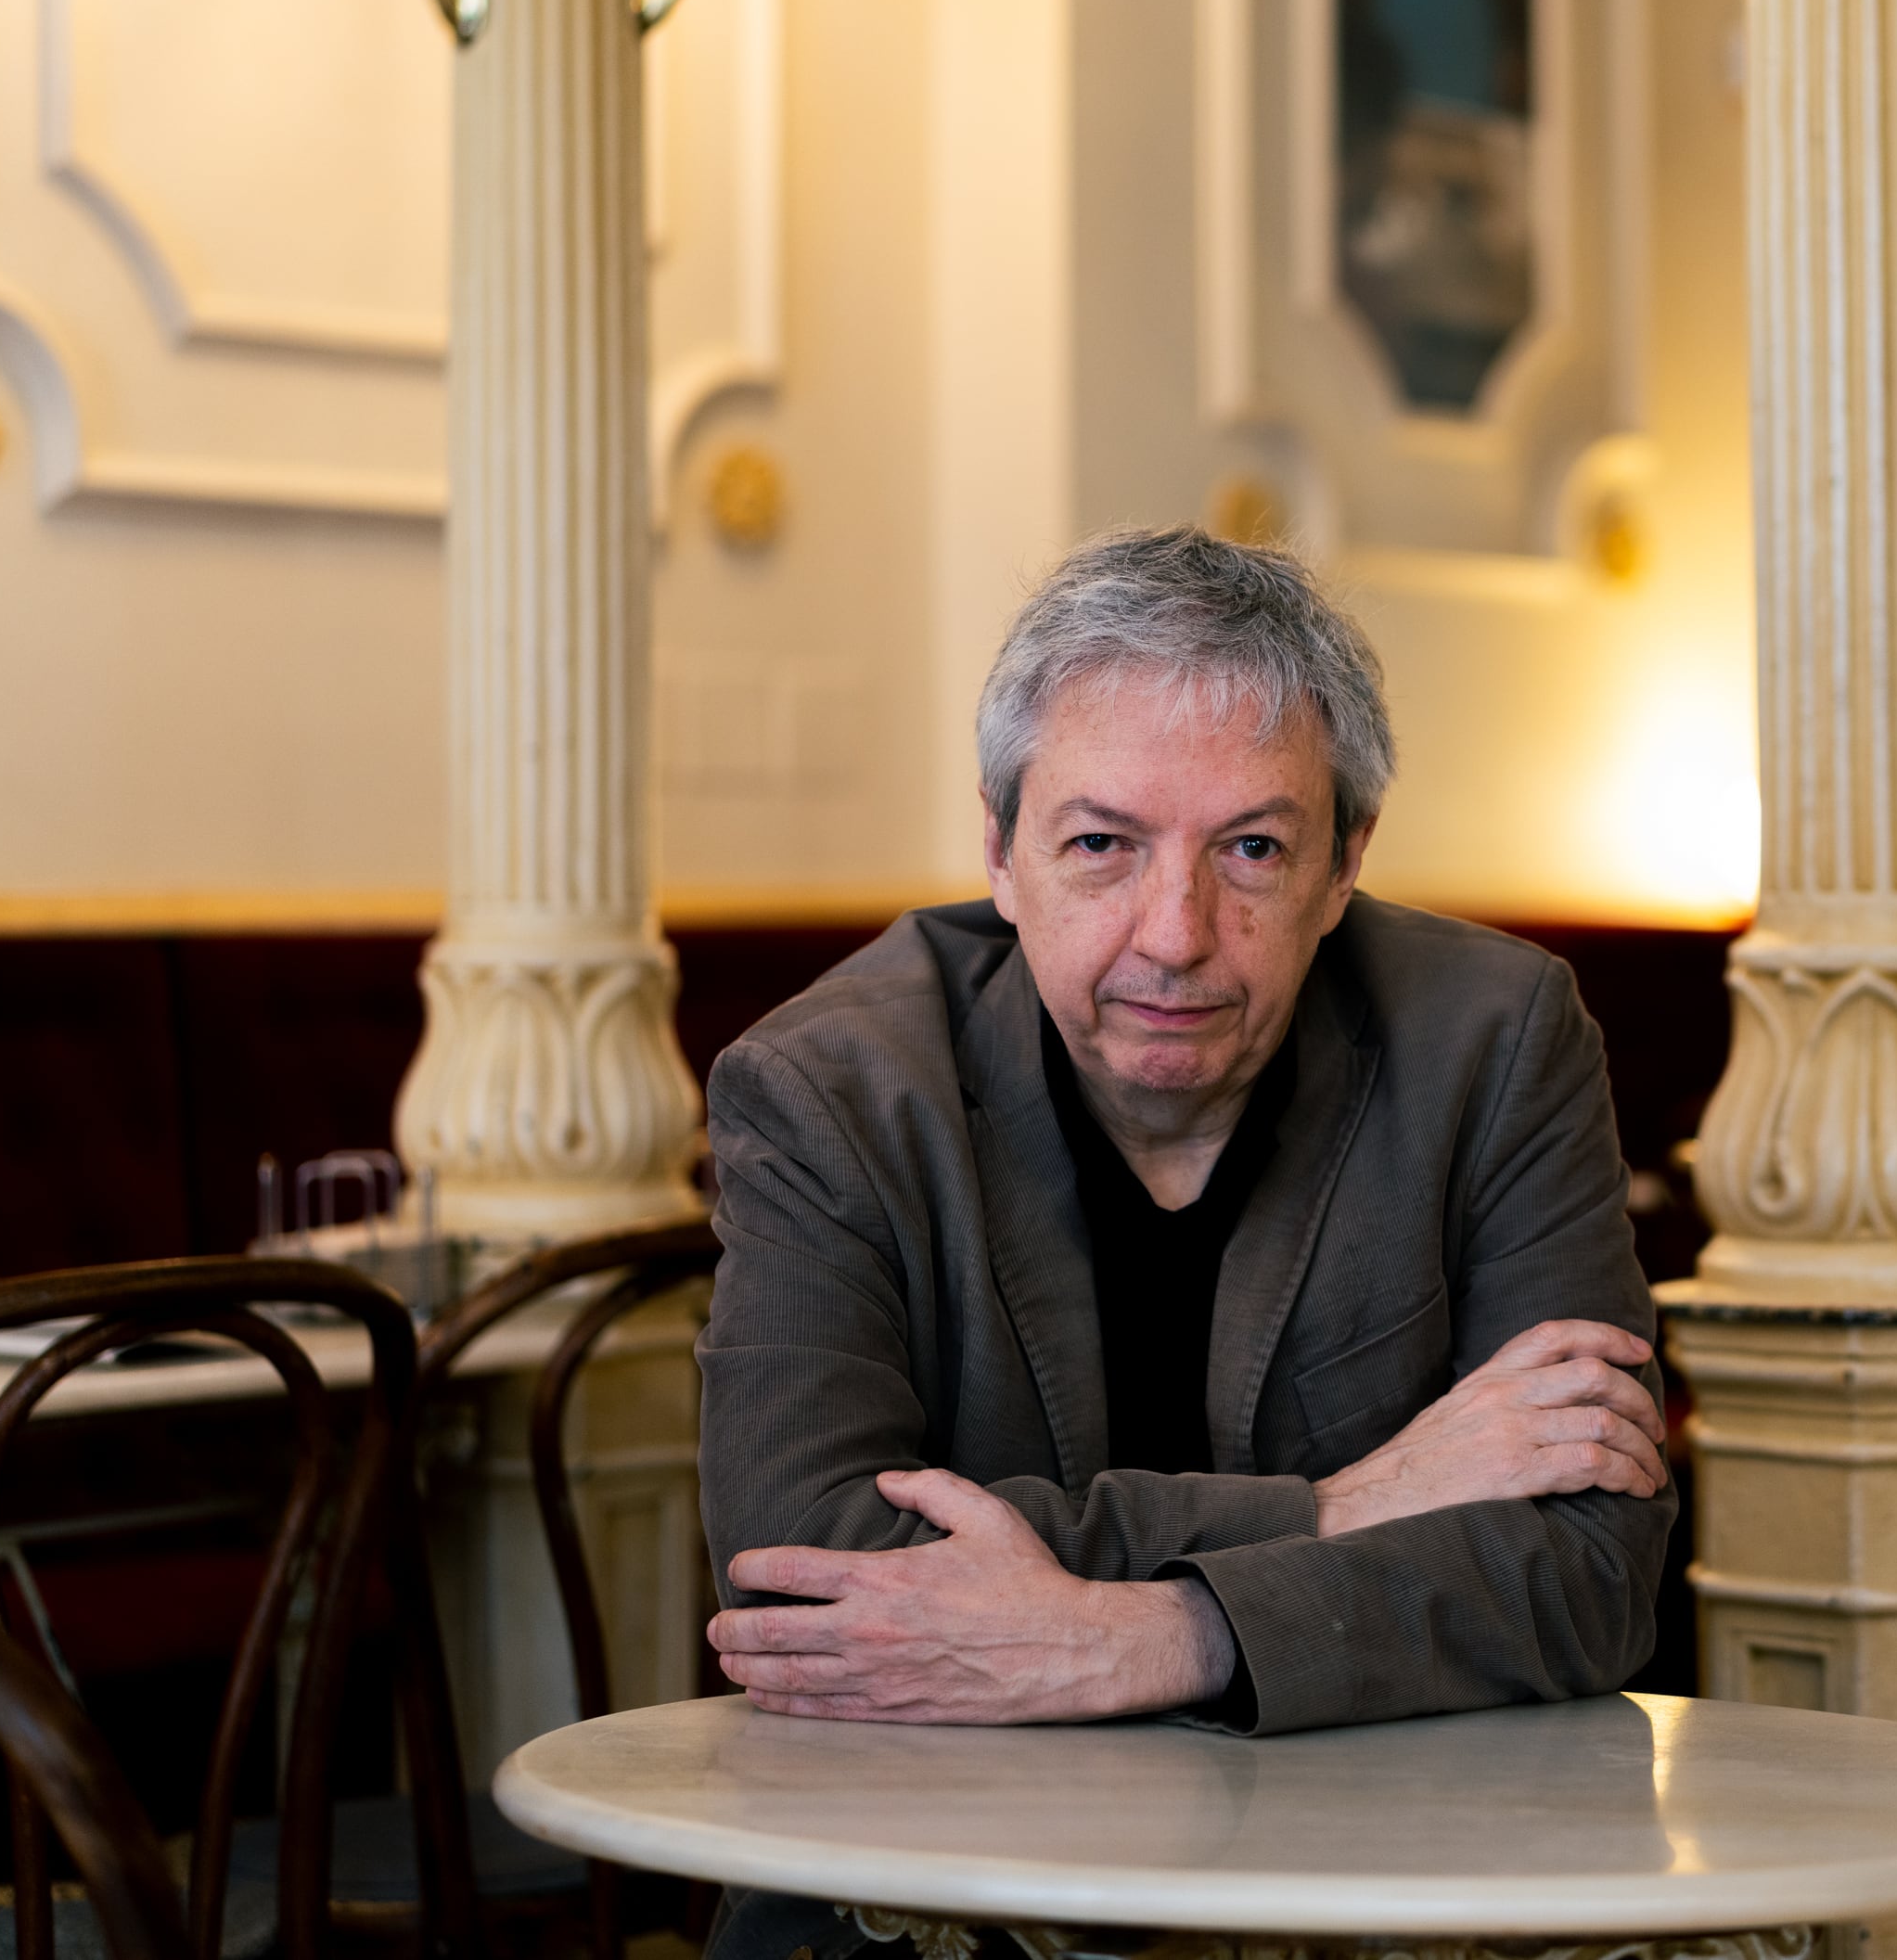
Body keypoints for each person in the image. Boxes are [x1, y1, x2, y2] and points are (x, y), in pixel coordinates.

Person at [693, 529, 1673, 1956]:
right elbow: (808, 1568)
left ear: (1345, 866)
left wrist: (1152, 1636)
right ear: (1001, 852)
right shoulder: (829, 1087)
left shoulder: (1496, 1042)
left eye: (1253, 850)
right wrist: (1358, 1502)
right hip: (931, 1899)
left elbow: (1592, 1571)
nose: (1177, 935)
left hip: (1376, 1896)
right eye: (1101, 844)